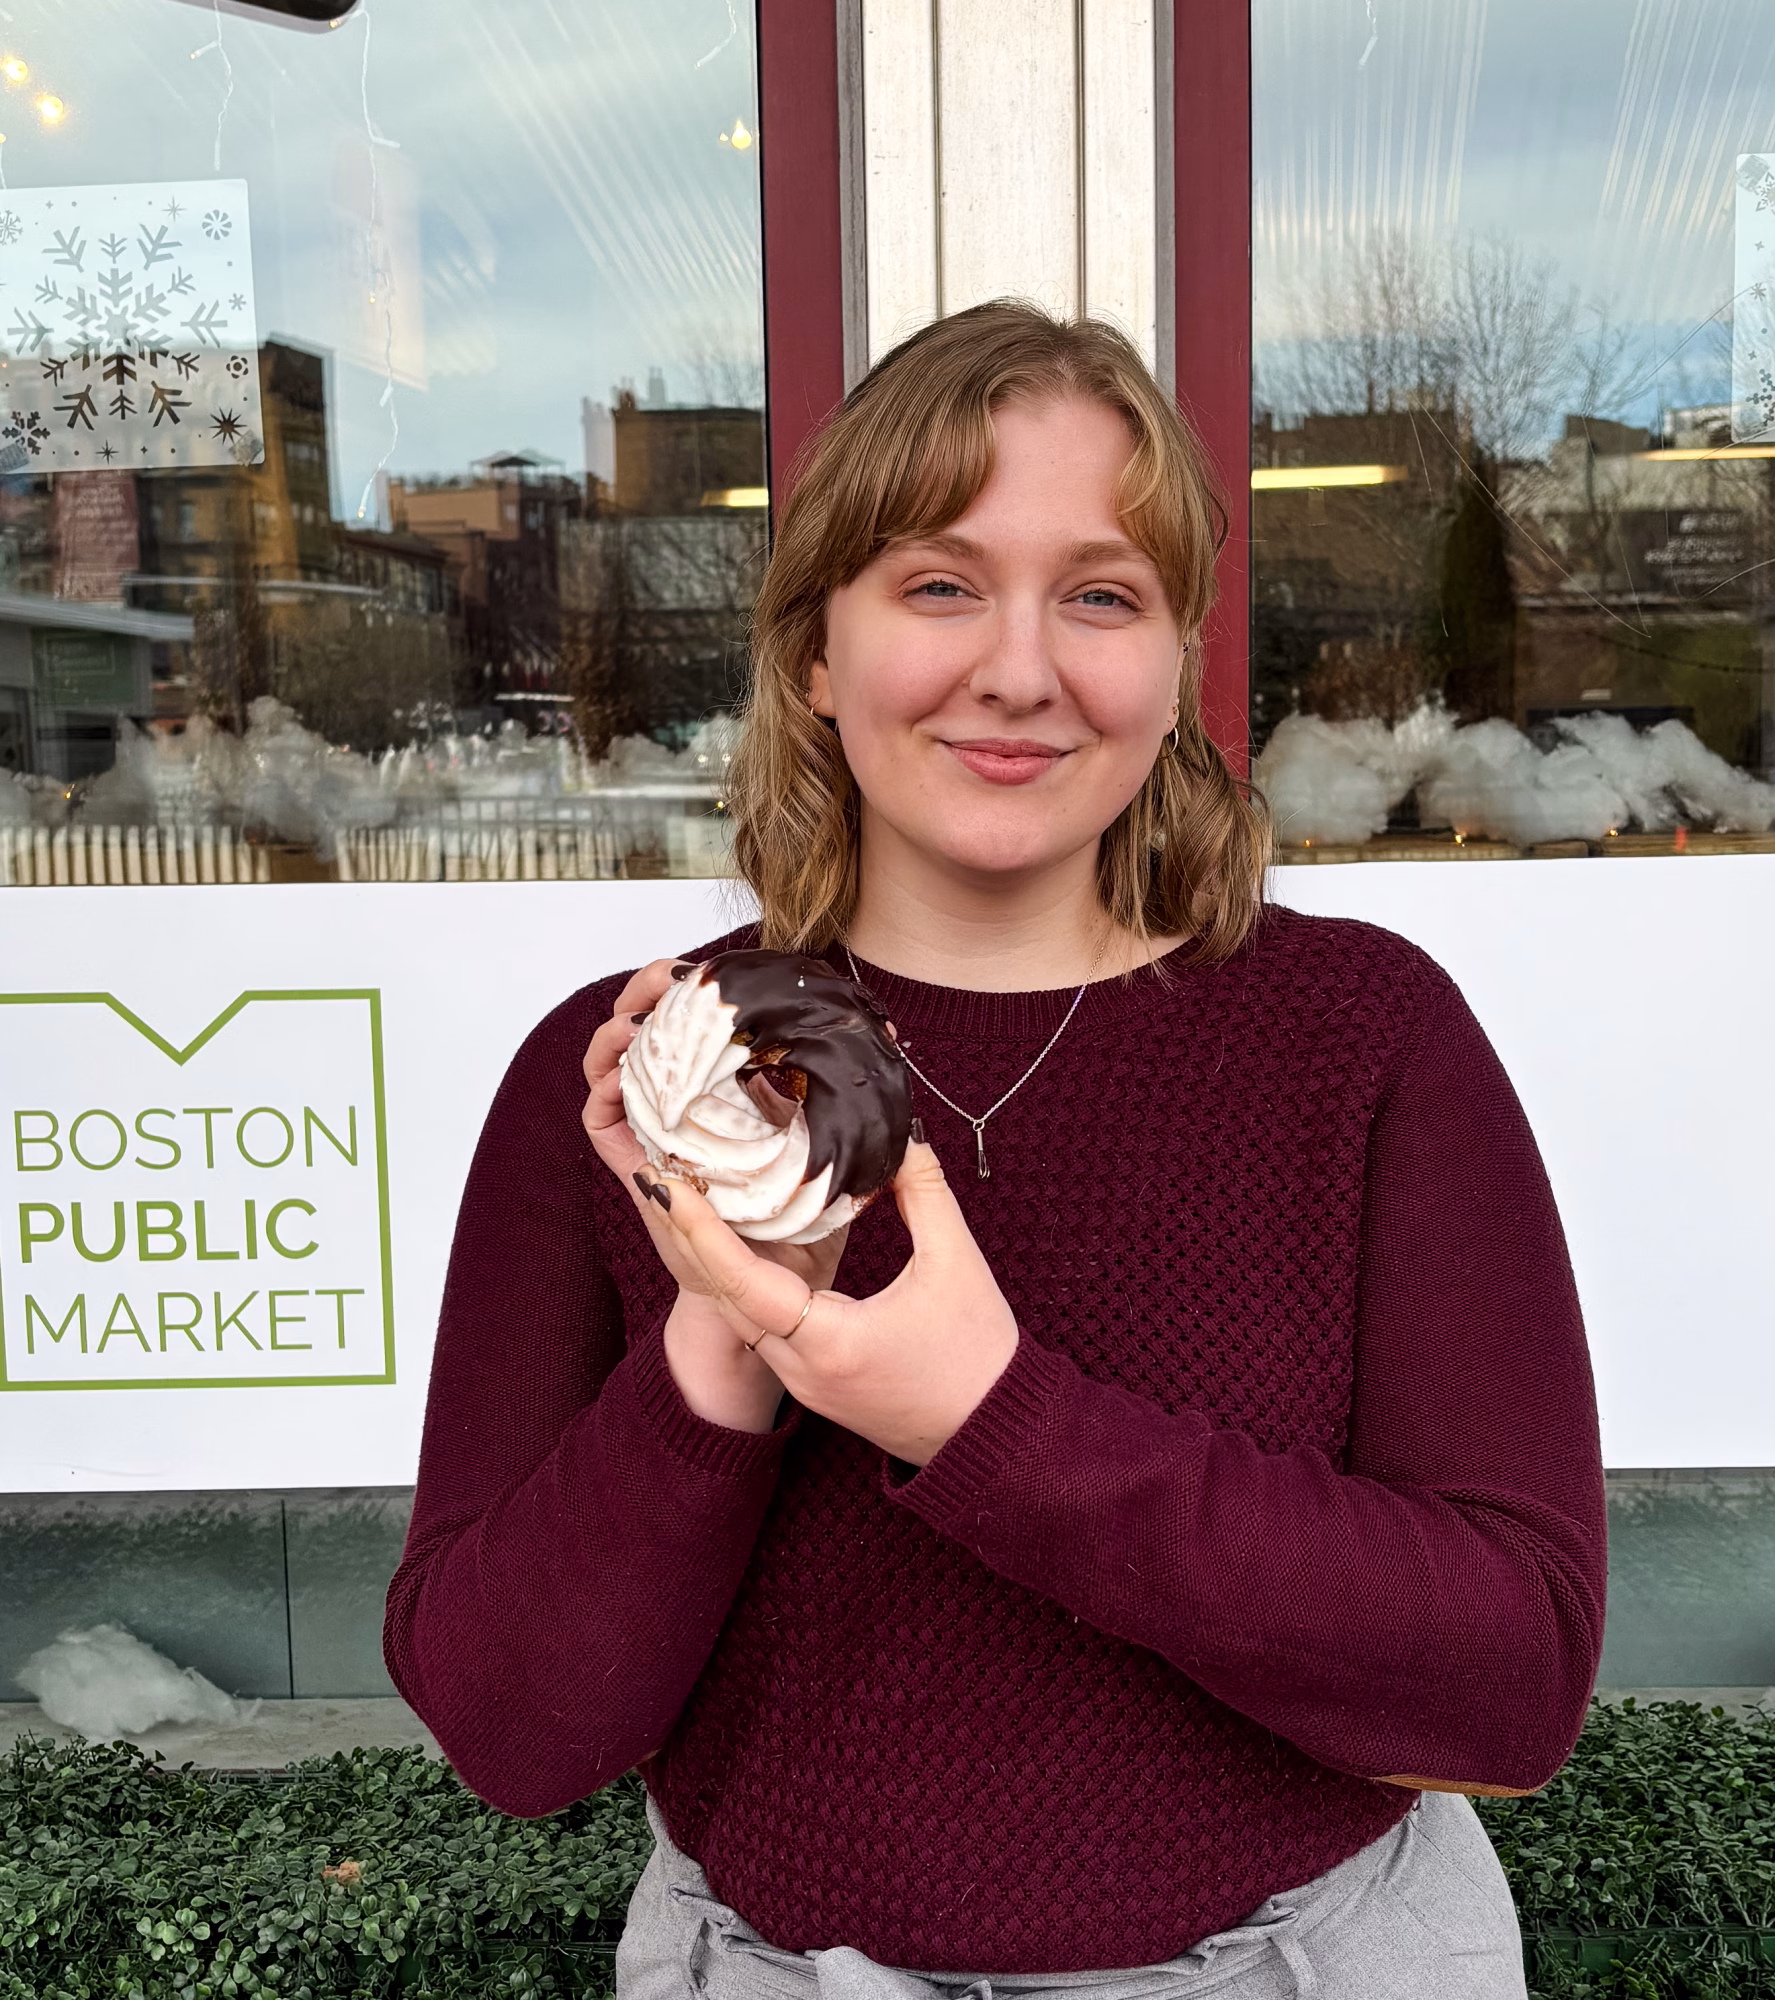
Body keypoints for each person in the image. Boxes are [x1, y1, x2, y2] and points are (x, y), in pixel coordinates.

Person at [385, 301, 1606, 1999]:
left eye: (1101, 595)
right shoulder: (636, 1092)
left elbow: (1512, 1676)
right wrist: (723, 1333)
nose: (1020, 669)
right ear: (817, 648)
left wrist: (982, 1420)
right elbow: (514, 1732)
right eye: (940, 584)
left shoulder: (1363, 1038)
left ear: (1180, 656)